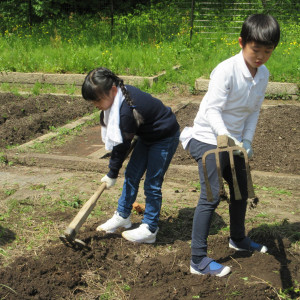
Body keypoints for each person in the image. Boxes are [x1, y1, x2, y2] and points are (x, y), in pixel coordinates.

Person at [180, 14, 280, 277]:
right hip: (206, 137)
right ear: (241, 42)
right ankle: (197, 260)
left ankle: (238, 238)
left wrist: (246, 141)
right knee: (212, 194)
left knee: (241, 189)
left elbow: (253, 111)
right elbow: (212, 110)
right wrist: (227, 138)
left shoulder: (263, 74)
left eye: (267, 51)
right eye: (255, 49)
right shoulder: (226, 70)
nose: (260, 56)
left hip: (233, 140)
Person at [82, 67, 180, 243]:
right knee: (132, 174)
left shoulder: (125, 112)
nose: (95, 105)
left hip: (165, 136)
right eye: (92, 102)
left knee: (152, 183)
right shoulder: (118, 98)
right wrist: (114, 172)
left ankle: (150, 228)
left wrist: (112, 172)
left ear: (112, 91)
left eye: (97, 100)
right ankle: (123, 216)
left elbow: (121, 147)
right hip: (147, 136)